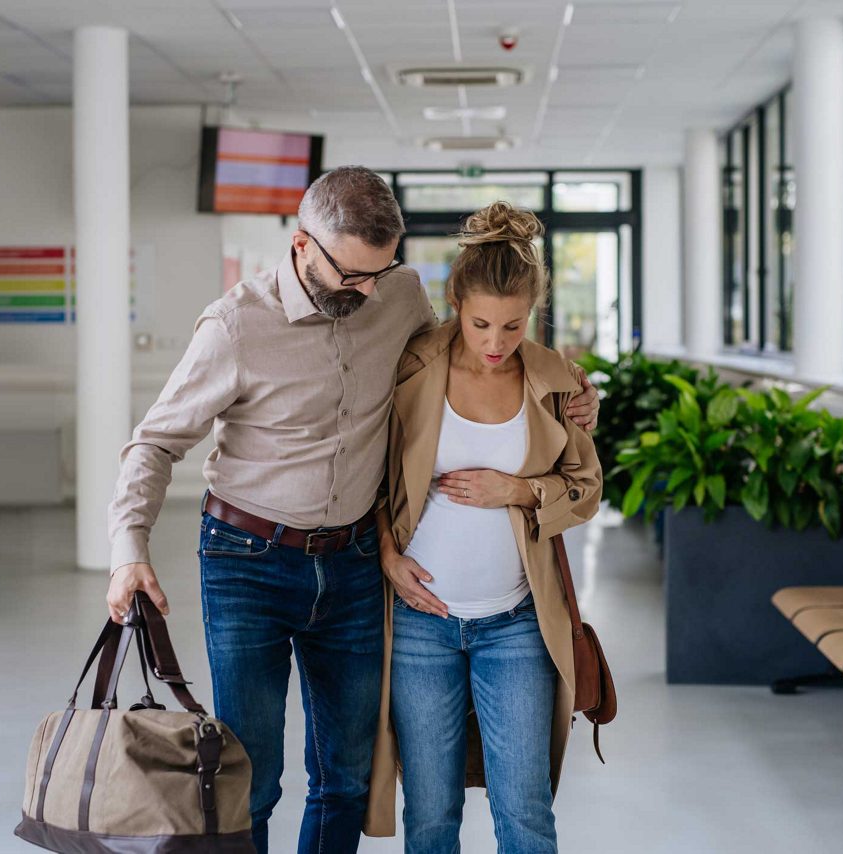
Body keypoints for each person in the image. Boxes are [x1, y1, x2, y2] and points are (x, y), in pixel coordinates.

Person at [104, 167, 599, 854]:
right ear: (303, 245)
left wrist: (573, 400)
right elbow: (154, 442)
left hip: (353, 565)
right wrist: (129, 548)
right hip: (249, 560)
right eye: (352, 276)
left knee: (343, 773)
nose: (366, 291)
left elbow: (457, 364)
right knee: (254, 774)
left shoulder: (397, 295)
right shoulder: (236, 326)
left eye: (380, 272)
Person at [364, 202, 602, 853]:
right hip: (421, 624)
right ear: (455, 304)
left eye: (512, 325)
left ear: (534, 312)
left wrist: (520, 490)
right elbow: (372, 478)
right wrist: (387, 553)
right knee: (432, 814)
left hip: (518, 623)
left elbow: (586, 490)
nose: (495, 342)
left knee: (525, 811)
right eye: (479, 324)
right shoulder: (411, 370)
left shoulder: (557, 383)